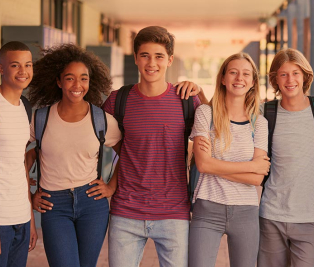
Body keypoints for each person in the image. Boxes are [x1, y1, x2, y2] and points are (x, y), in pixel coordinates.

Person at [103, 26, 207, 267]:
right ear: (136, 58)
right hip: (126, 212)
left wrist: (201, 91)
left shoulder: (187, 100)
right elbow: (92, 138)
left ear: (169, 60)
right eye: (145, 55)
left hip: (174, 213)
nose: (152, 63)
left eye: (159, 56)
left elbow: (216, 130)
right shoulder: (117, 100)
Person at [26, 44, 121, 267]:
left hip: (92, 204)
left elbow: (128, 154)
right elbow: (19, 155)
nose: (77, 85)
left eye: (83, 78)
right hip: (53, 204)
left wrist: (111, 187)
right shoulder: (41, 119)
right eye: (70, 78)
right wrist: (28, 195)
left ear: (90, 81)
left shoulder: (101, 120)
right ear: (58, 81)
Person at [189, 52, 270, 267]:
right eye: (233, 72)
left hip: (246, 212)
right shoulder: (206, 114)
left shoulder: (259, 124)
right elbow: (203, 164)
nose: (239, 78)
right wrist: (252, 166)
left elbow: (256, 180)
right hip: (207, 207)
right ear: (223, 79)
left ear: (253, 82)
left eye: (245, 74)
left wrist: (213, 165)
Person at [258, 49, 314, 267]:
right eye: (283, 74)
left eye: (296, 73)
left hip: (309, 218)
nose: (290, 80)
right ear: (275, 79)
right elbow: (227, 112)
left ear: (305, 76)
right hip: (272, 215)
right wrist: (197, 93)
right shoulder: (265, 112)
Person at [0, 41, 37, 266]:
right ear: (1, 68)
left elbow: (20, 164)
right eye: (15, 65)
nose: (23, 71)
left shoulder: (25, 107)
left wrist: (30, 218)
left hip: (21, 217)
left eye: (28, 64)